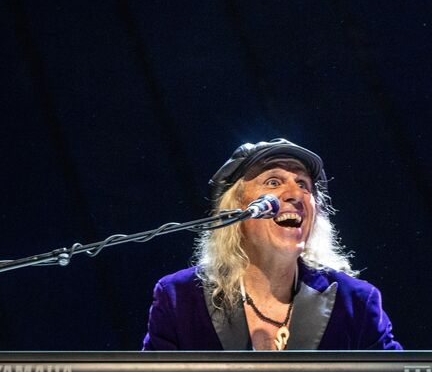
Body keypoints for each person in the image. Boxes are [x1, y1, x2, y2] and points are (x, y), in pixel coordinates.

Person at [142, 138, 402, 351]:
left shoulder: (356, 302)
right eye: (273, 182)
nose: (294, 194)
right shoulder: (179, 297)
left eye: (303, 184)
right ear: (235, 209)